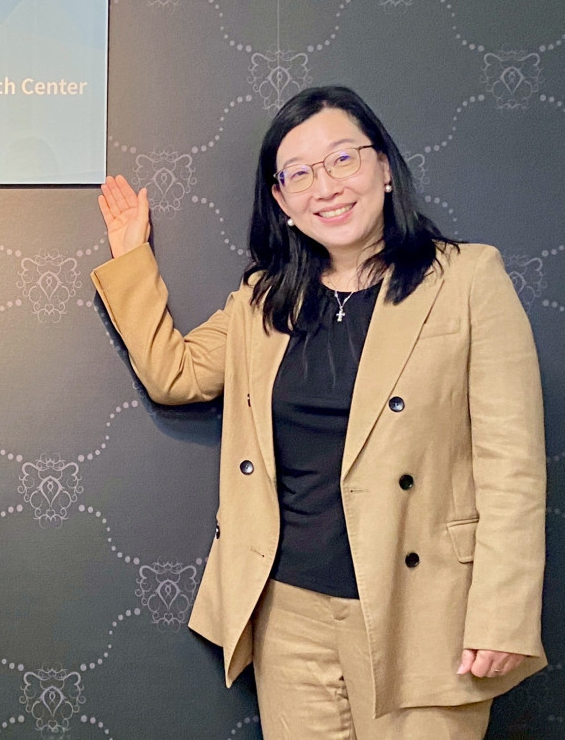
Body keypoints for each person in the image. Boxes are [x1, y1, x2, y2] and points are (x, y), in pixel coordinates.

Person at [91, 86, 545, 738]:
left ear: (383, 167)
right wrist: (131, 258)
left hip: (424, 611)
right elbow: (175, 374)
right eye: (298, 173)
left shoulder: (467, 278)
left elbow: (513, 466)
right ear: (281, 200)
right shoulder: (264, 299)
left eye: (342, 159)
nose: (325, 186)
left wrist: (503, 613)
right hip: (288, 615)